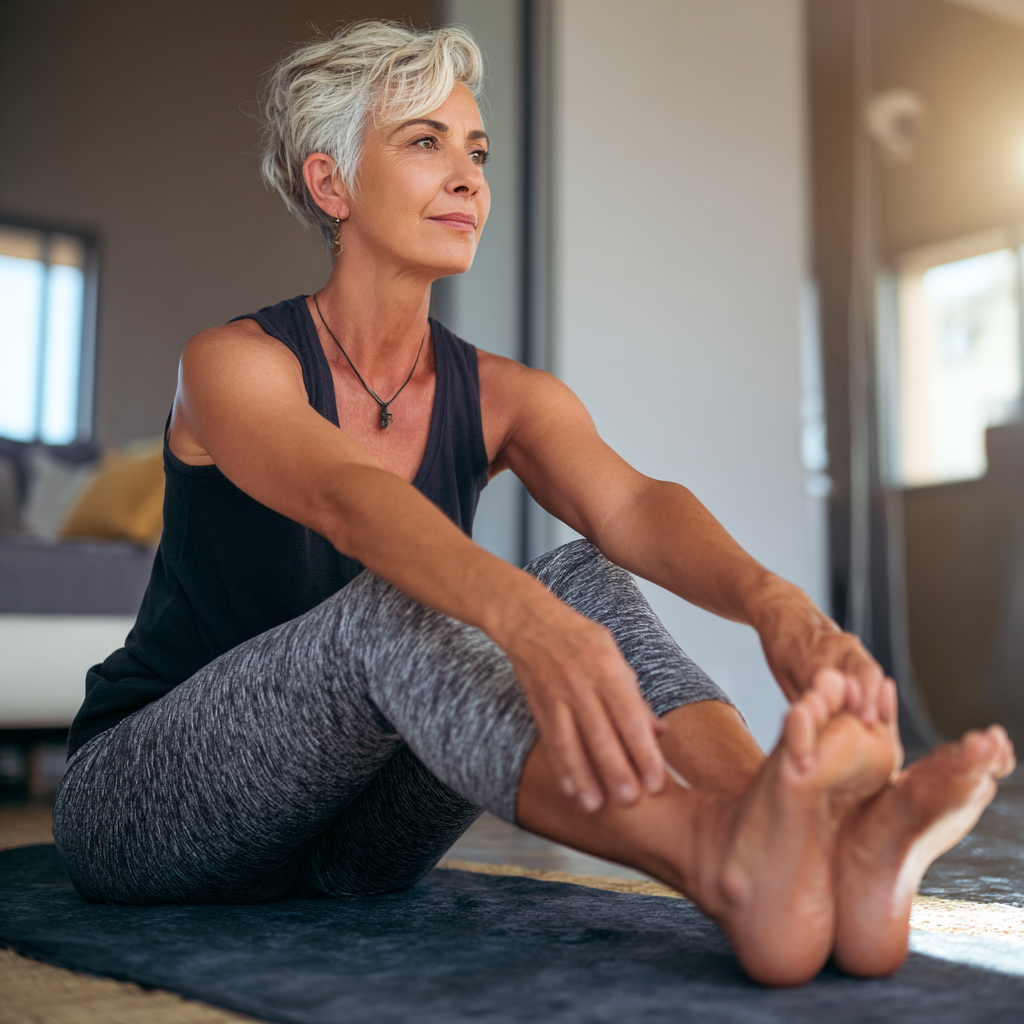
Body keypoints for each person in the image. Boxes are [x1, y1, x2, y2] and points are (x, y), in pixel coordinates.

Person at [53, 21, 1015, 988]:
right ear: (330, 183)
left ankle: (808, 837)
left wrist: (780, 609)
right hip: (150, 808)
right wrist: (521, 623)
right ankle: (713, 854)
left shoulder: (506, 395)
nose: (469, 176)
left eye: (475, 149)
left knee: (582, 570)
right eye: (425, 142)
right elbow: (348, 499)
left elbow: (634, 506)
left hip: (352, 851)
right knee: (407, 599)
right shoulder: (233, 366)